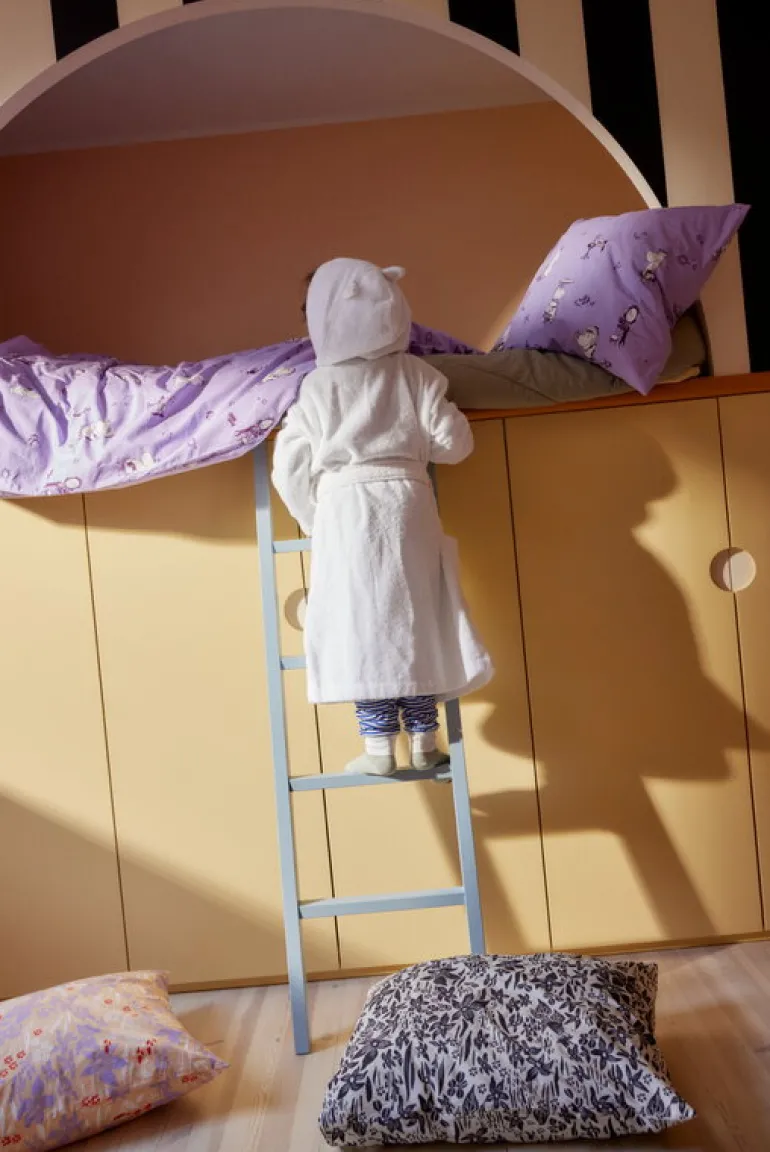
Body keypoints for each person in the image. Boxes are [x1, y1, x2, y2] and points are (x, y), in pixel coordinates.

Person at [272, 258, 493, 776]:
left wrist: (314, 519)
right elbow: (455, 446)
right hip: (409, 502)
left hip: (346, 509)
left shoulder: (318, 387)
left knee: (362, 624)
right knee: (417, 621)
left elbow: (290, 467)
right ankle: (425, 740)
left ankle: (377, 749)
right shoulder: (417, 375)